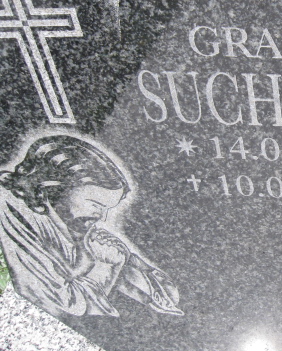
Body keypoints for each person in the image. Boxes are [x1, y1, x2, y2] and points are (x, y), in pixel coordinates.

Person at [0, 135, 183, 318]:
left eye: (107, 209)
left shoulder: (63, 215)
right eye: (96, 204)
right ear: (54, 188)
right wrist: (107, 266)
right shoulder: (12, 210)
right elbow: (59, 305)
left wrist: (138, 266)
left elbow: (159, 291)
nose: (102, 217)